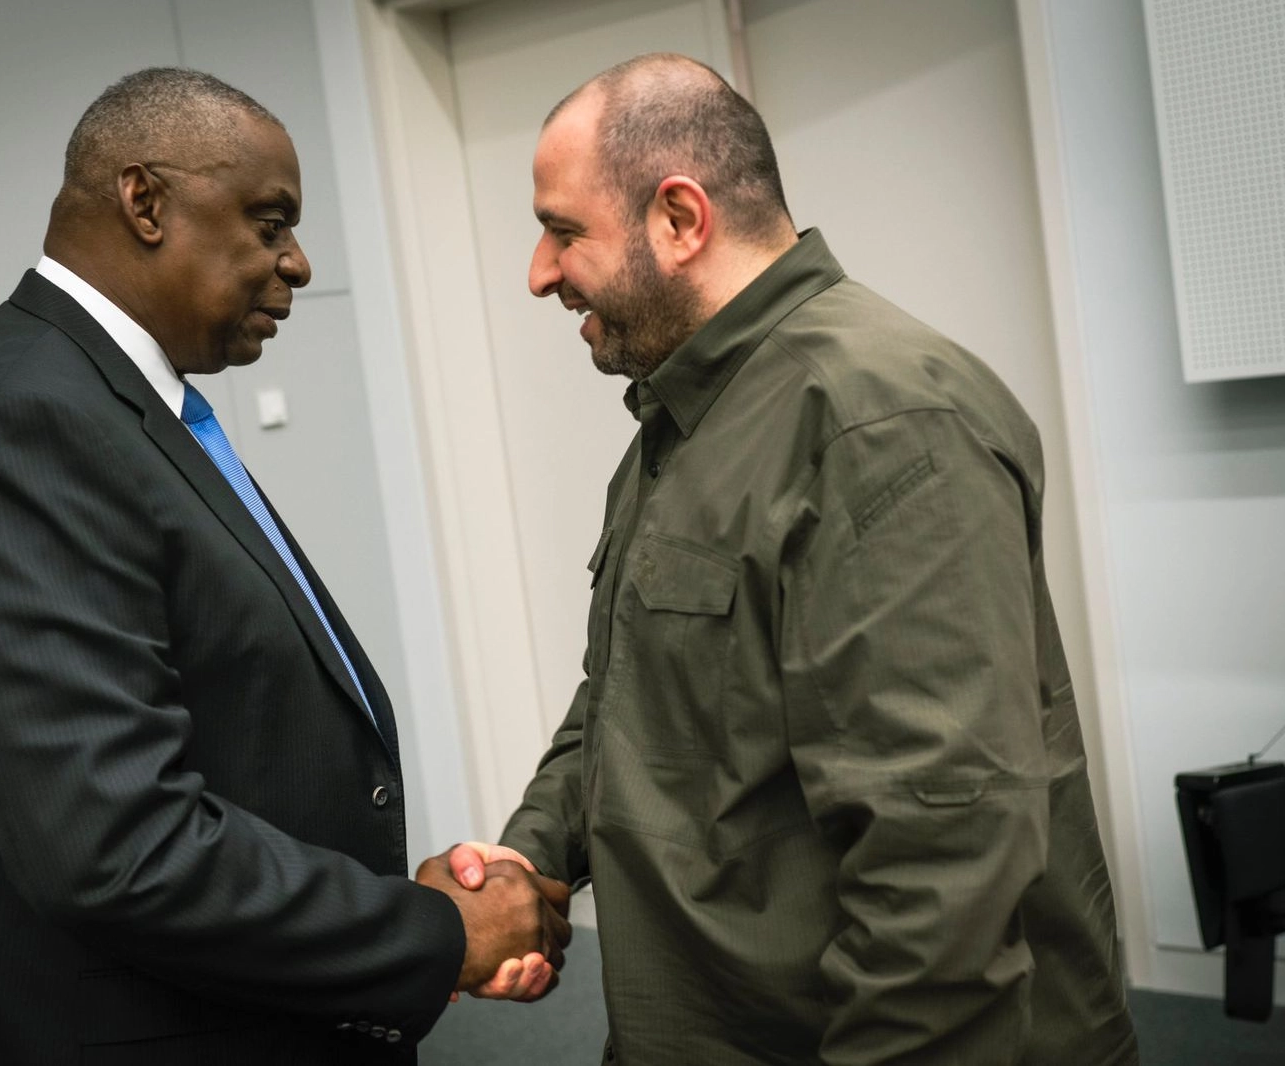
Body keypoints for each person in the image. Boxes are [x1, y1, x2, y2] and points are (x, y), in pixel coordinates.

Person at [0, 67, 569, 1066]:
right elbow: (116, 845)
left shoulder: (114, 407)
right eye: (269, 222)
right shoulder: (20, 421)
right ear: (145, 201)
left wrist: (398, 911)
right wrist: (435, 932)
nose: (298, 263)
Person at [449, 53, 1139, 1064]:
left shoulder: (878, 420)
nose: (539, 272)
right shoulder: (683, 423)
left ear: (678, 219)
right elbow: (629, 698)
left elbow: (943, 851)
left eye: (563, 231)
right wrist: (528, 856)